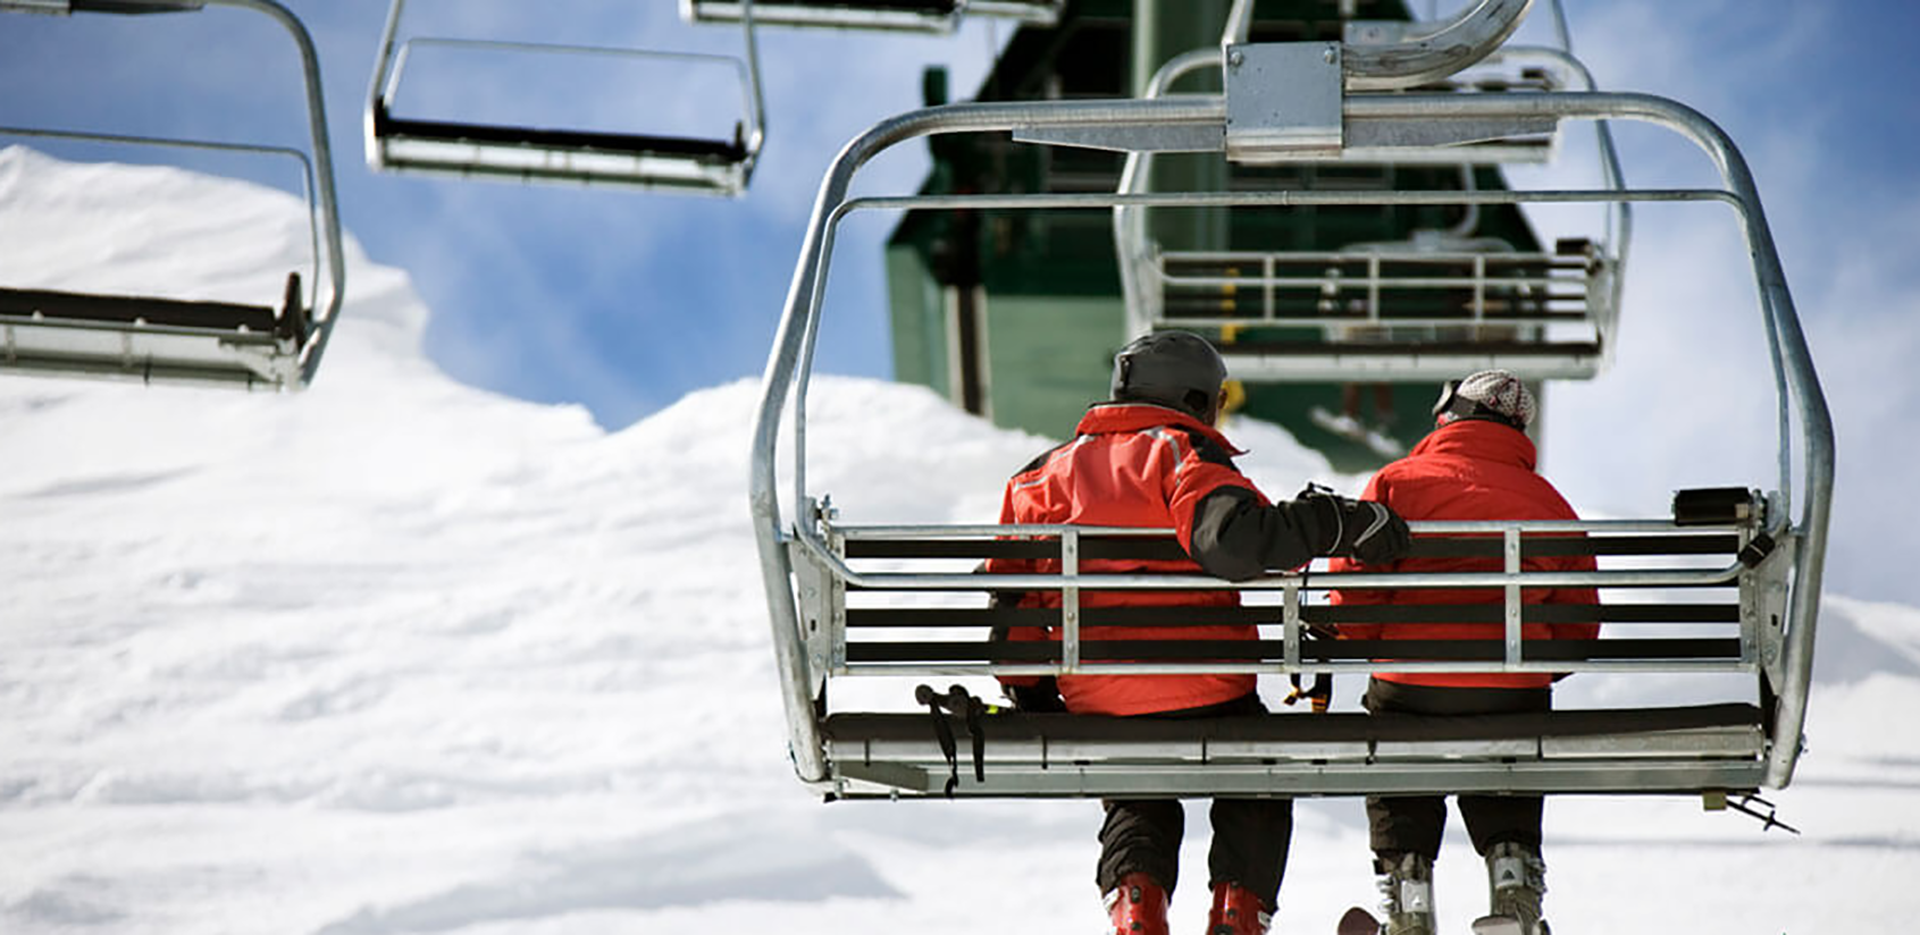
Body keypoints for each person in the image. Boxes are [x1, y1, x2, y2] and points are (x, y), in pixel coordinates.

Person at [985, 330, 1411, 935]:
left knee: (1135, 791)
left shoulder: (1040, 477)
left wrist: (1033, 694)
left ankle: (1138, 909)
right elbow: (1234, 543)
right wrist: (1333, 522)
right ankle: (1237, 917)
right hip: (1210, 689)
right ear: (1197, 398)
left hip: (1100, 700)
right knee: (1257, 773)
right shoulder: (1181, 453)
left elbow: (1013, 603)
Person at [1327, 370, 1600, 935]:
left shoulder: (1397, 482)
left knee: (1397, 739)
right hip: (1513, 693)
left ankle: (1408, 896)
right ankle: (1514, 884)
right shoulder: (1549, 501)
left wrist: (1386, 647)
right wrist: (1527, 666)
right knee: (1510, 735)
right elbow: (1578, 624)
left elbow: (1351, 603)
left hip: (1411, 688)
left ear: (1449, 416)